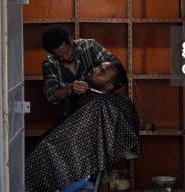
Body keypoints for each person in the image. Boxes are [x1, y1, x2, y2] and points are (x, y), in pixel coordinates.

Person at [26, 61, 139, 192]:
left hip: (78, 167)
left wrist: (43, 147)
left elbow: (68, 141)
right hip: (81, 160)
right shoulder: (97, 99)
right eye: (98, 67)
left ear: (108, 86)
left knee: (34, 157)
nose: (95, 70)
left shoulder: (99, 104)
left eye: (101, 72)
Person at [41, 25, 122, 118]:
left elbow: (115, 65)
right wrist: (70, 89)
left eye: (67, 51)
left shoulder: (90, 46)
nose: (66, 57)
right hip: (70, 116)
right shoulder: (49, 63)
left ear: (70, 40)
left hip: (101, 113)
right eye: (60, 56)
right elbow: (51, 95)